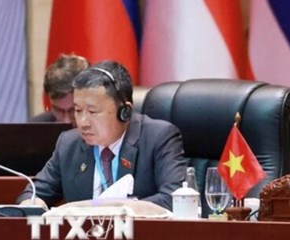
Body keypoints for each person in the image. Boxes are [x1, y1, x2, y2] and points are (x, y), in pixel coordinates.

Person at [17, 60, 186, 210]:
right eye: (78, 110)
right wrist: (33, 203)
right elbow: (32, 193)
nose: (83, 122)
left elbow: (175, 200)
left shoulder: (158, 138)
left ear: (124, 111)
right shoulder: (69, 143)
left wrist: (100, 207)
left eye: (92, 111)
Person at [30, 53, 89, 125]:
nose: (66, 121)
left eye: (73, 110)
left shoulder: (103, 128)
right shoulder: (34, 129)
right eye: (58, 110)